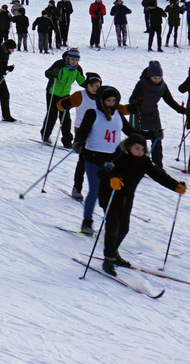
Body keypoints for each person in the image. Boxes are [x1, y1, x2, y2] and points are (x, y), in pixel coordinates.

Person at [101, 135, 187, 275]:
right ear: (129, 147)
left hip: (127, 197)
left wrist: (175, 186)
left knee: (124, 228)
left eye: (142, 149)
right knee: (113, 226)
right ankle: (108, 258)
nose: (139, 152)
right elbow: (103, 172)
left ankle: (113, 253)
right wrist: (111, 179)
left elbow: (159, 175)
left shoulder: (145, 161)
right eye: (136, 148)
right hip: (110, 195)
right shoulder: (118, 156)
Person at [74, 86, 133, 235]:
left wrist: (151, 134)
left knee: (111, 192)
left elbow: (131, 132)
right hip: (93, 158)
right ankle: (87, 221)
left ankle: (112, 222)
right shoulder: (92, 113)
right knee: (95, 190)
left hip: (112, 160)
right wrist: (78, 142)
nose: (111, 103)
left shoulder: (118, 115)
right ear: (101, 100)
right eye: (108, 101)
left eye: (114, 101)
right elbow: (82, 131)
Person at [127, 61, 187, 167]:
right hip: (139, 113)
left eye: (159, 78)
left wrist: (181, 110)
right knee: (138, 139)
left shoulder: (162, 86)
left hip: (153, 113)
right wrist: (135, 103)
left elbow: (169, 100)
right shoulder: (142, 84)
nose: (157, 80)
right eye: (154, 78)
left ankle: (157, 165)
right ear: (149, 76)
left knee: (157, 138)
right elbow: (133, 98)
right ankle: (135, 162)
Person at [57, 72, 105, 201]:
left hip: (98, 132)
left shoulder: (103, 96)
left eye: (97, 86)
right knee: (83, 161)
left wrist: (130, 109)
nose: (95, 88)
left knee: (101, 161)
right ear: (87, 86)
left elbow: (116, 108)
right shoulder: (80, 95)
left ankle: (101, 189)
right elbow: (61, 105)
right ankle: (77, 187)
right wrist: (64, 104)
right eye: (92, 86)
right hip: (82, 131)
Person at [42, 48, 84, 147]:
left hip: (65, 95)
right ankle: (45, 135)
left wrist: (92, 82)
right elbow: (47, 73)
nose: (74, 62)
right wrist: (52, 73)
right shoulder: (60, 64)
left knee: (65, 118)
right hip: (52, 93)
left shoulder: (77, 69)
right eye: (72, 59)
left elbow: (82, 82)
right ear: (67, 58)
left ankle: (67, 141)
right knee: (52, 115)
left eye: (76, 60)